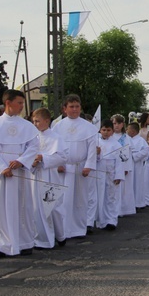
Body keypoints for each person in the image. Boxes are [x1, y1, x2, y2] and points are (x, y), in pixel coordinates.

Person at [0, 89, 40, 259]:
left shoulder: (27, 126)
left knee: (23, 206)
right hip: (2, 173)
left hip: (20, 171)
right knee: (0, 208)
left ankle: (24, 242)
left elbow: (33, 146)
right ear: (8, 103)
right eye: (19, 103)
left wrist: (21, 161)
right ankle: (1, 244)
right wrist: (3, 167)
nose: (22, 107)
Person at [52, 94, 98, 239]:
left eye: (77, 106)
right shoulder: (57, 126)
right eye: (71, 107)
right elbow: (54, 147)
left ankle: (79, 229)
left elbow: (92, 148)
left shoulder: (88, 127)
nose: (74, 109)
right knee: (63, 199)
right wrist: (58, 163)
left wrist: (89, 166)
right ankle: (63, 229)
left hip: (80, 167)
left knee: (80, 199)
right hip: (64, 168)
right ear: (65, 109)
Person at [30, 107, 69, 249]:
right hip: (35, 174)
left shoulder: (56, 138)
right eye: (33, 121)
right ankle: (43, 239)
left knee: (53, 206)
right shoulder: (33, 137)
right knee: (37, 208)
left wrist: (43, 158)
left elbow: (62, 157)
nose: (35, 124)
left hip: (50, 175)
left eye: (37, 121)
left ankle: (61, 235)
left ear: (47, 121)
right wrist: (32, 161)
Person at [95, 119, 124, 230]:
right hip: (99, 172)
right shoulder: (96, 142)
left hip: (111, 173)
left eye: (108, 130)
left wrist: (118, 175)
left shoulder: (116, 144)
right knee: (99, 196)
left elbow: (119, 161)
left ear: (112, 131)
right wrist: (96, 154)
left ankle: (111, 220)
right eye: (103, 130)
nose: (106, 132)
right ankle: (100, 220)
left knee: (111, 197)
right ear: (100, 130)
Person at [127, 122, 149, 209]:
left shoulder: (141, 140)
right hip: (128, 164)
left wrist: (134, 156)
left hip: (137, 165)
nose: (126, 131)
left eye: (128, 129)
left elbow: (146, 151)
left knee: (137, 184)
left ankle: (138, 203)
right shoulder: (126, 139)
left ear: (133, 131)